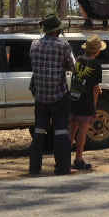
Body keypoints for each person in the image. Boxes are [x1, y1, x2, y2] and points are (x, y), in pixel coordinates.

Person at [29, 14, 76, 175]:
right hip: (59, 96)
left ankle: (34, 168)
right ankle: (62, 167)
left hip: (40, 96)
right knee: (61, 131)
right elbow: (73, 67)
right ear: (57, 31)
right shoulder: (63, 45)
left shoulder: (34, 45)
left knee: (39, 131)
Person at [69, 35, 104, 170]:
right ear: (97, 51)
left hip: (73, 99)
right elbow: (95, 89)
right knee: (83, 130)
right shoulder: (96, 65)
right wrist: (94, 108)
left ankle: (64, 157)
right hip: (86, 101)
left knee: (71, 130)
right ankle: (78, 158)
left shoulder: (78, 60)